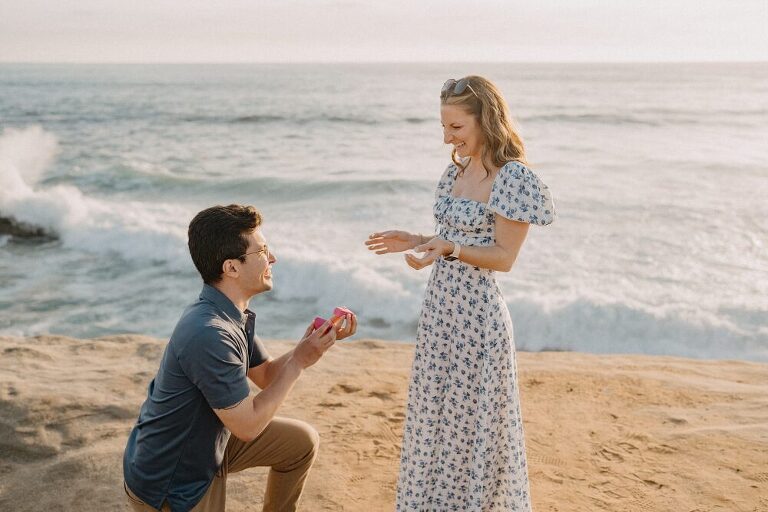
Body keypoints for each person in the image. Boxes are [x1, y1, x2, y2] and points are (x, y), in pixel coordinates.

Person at [365, 76, 555, 511]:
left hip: (477, 317)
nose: (447, 138)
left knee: (475, 425)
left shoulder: (514, 178)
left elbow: (504, 257)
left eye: (456, 128)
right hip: (440, 311)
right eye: (443, 128)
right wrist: (416, 238)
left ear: (486, 121)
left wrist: (449, 248)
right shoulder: (457, 170)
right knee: (435, 419)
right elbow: (454, 237)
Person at [123, 204, 357, 512]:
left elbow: (267, 375)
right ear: (231, 267)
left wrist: (310, 345)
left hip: (208, 441)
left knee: (300, 443)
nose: (272, 258)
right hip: (174, 481)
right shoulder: (210, 332)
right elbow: (247, 427)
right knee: (253, 425)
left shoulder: (228, 312)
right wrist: (299, 362)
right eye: (262, 252)